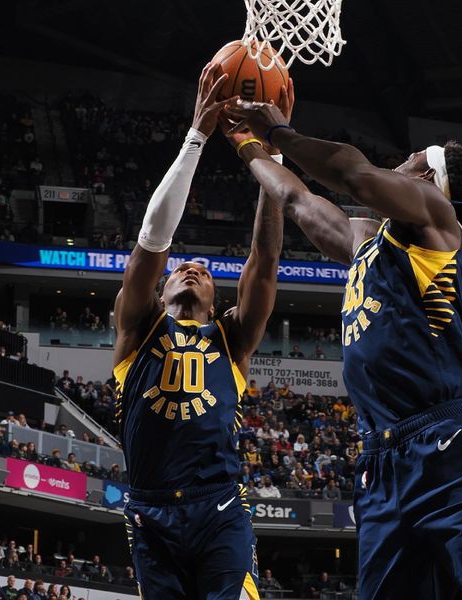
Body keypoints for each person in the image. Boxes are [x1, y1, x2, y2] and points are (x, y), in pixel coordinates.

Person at [227, 91, 462, 598]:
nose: (399, 163)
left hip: (450, 449)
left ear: (424, 180)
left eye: (412, 159)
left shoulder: (437, 219)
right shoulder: (366, 239)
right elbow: (296, 200)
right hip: (381, 461)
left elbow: (354, 175)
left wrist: (278, 132)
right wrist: (249, 145)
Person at [112, 63, 292, 599]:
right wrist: (196, 138)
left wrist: (272, 155)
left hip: (218, 508)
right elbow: (152, 241)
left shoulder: (232, 339)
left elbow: (264, 257)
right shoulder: (136, 327)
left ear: (218, 301)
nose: (192, 269)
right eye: (181, 269)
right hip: (149, 511)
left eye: (207, 272)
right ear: (160, 291)